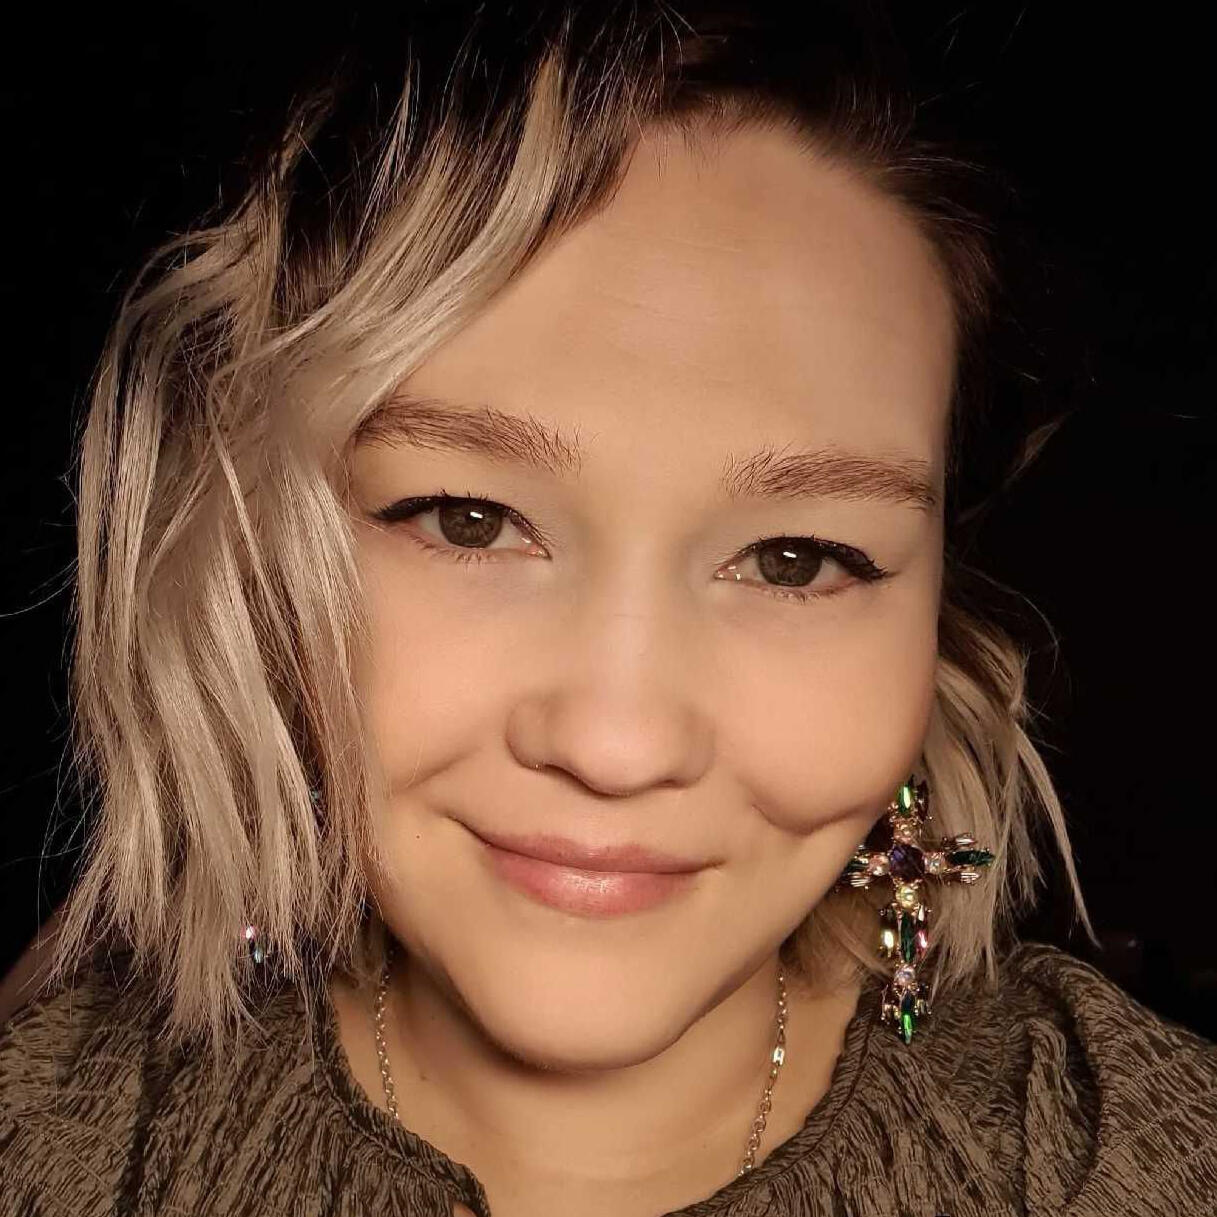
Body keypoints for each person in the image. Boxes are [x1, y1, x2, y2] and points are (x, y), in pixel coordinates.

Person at [2, 3, 1215, 1214]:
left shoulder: (1130, 1155)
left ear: (939, 606)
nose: (615, 744)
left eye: (794, 558)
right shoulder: (52, 1145)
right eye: (467, 519)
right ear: (250, 547)